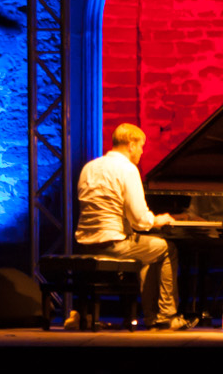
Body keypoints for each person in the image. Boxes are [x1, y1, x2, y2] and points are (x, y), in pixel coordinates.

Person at [75, 123, 194, 330]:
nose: (141, 152)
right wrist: (159, 219)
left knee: (149, 251)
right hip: (112, 245)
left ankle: (152, 317)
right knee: (166, 249)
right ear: (131, 145)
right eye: (140, 146)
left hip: (85, 243)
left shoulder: (89, 167)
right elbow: (140, 220)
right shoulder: (127, 169)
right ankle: (167, 316)